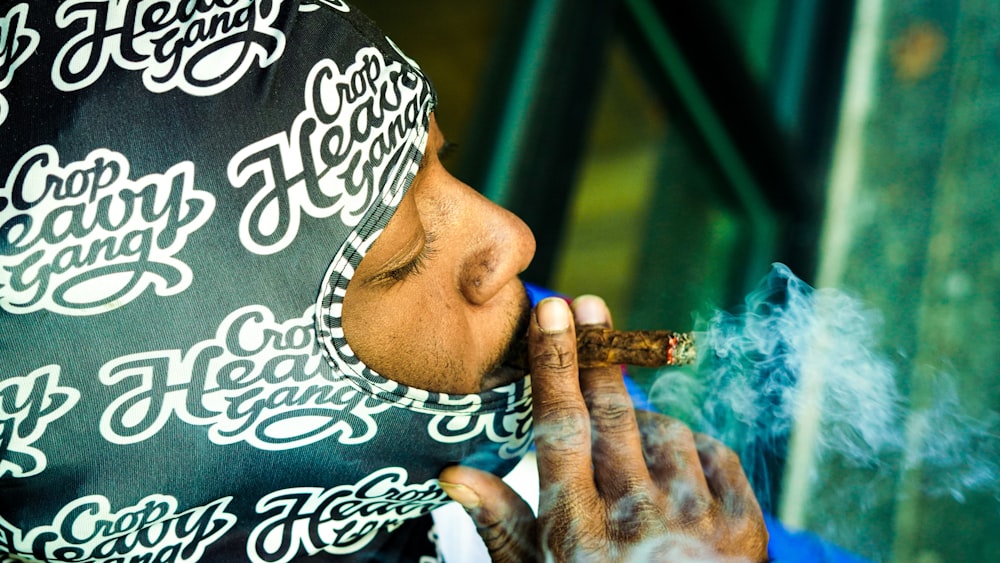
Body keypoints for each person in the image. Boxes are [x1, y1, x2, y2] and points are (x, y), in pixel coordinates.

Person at [0, 1, 768, 561]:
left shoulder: (504, 363)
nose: (513, 237)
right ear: (235, 402)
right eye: (400, 263)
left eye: (445, 158)